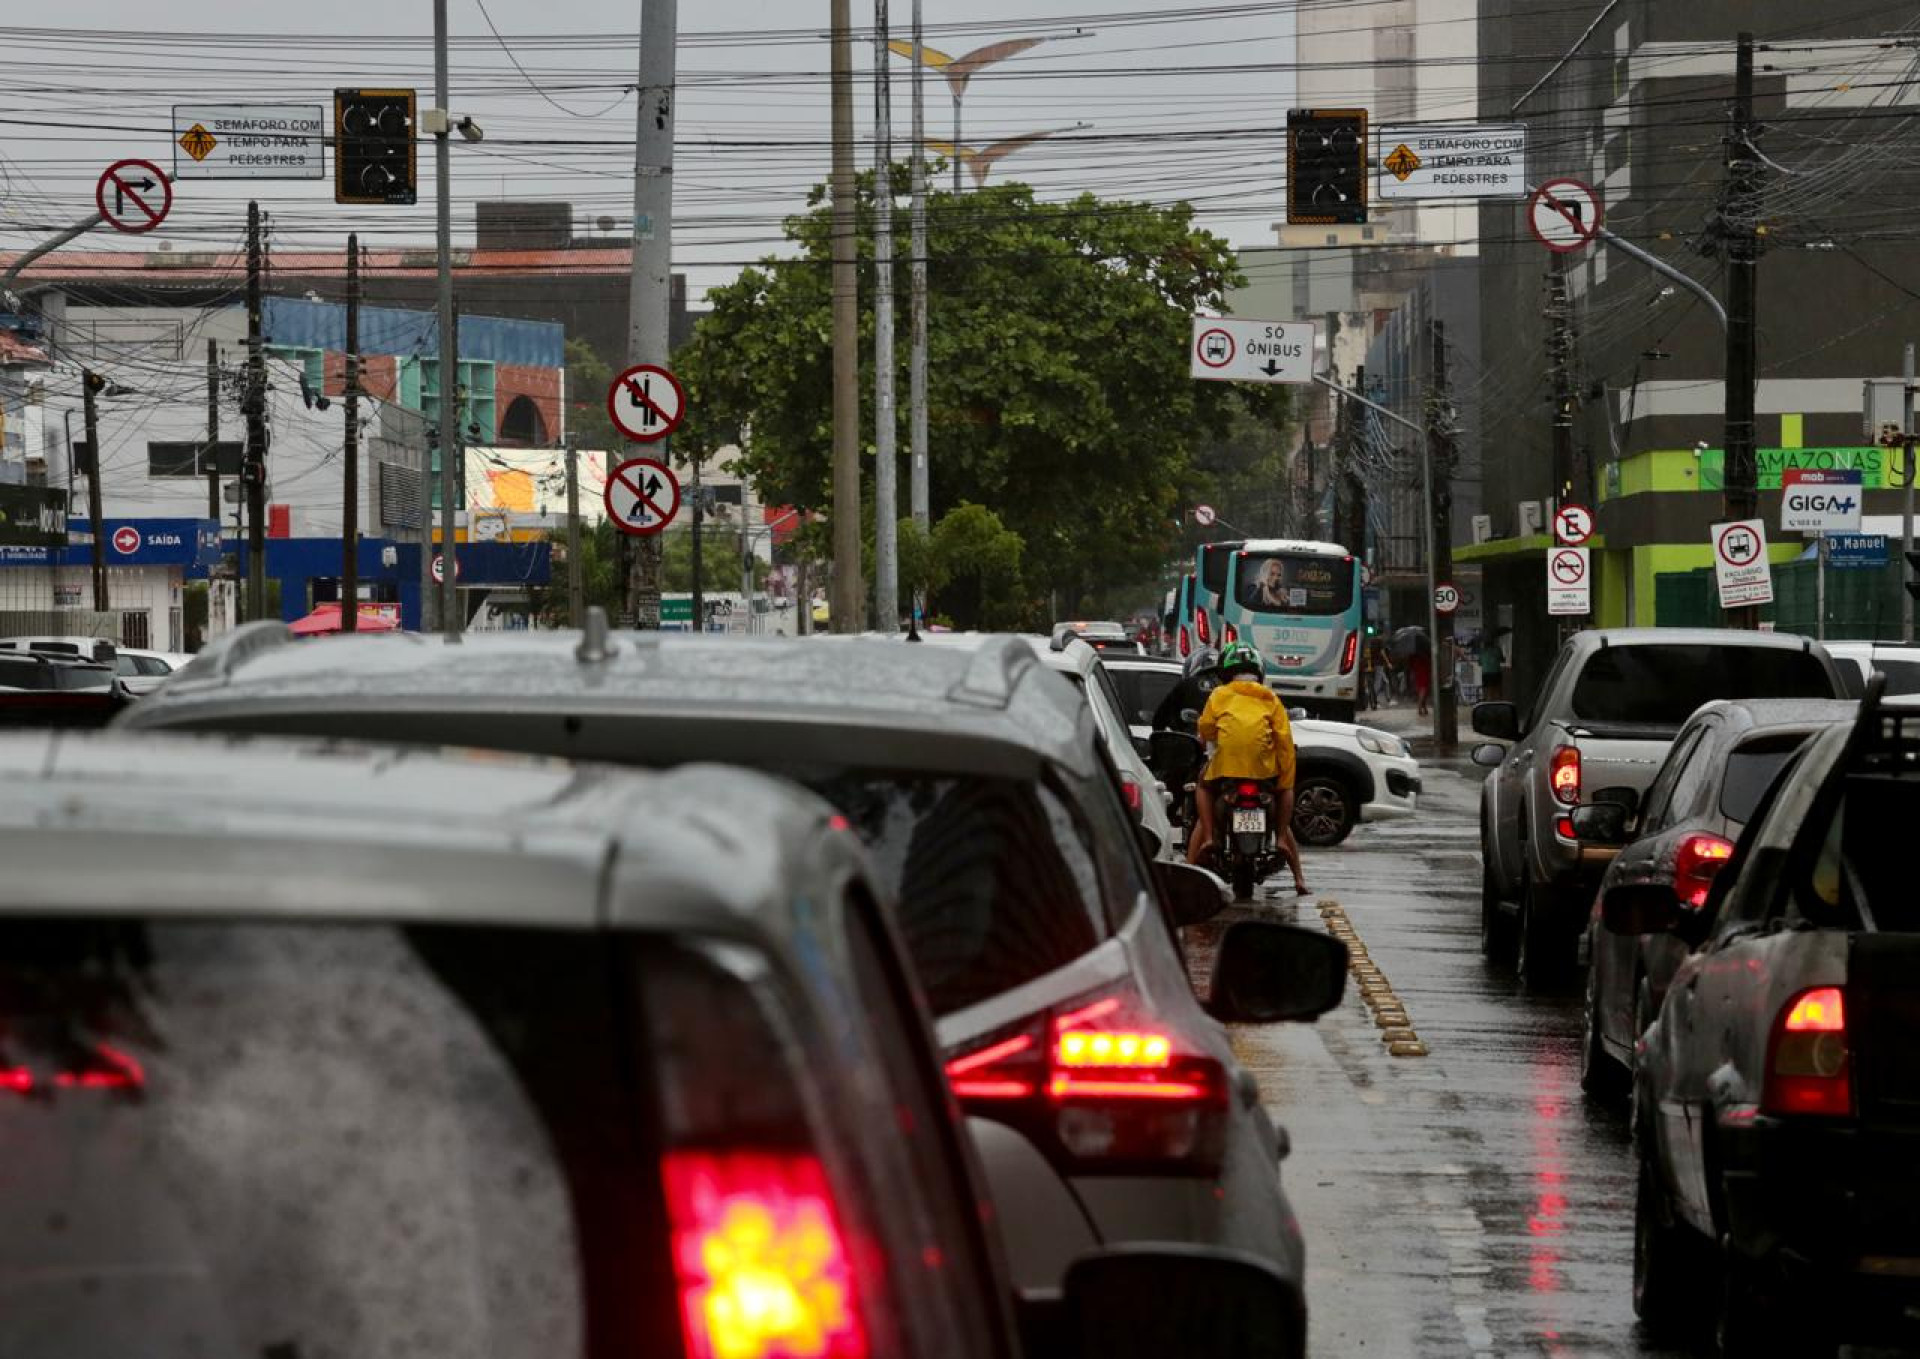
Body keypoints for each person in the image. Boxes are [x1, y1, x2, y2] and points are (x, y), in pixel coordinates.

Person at [1185, 641, 1309, 895]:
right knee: (1285, 793)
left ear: (1225, 673)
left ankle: (1204, 844)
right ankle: (1297, 874)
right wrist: (1285, 776)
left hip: (1225, 769)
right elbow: (1284, 740)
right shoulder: (1270, 698)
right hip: (1264, 771)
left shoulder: (1219, 695)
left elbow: (1205, 729)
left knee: (1203, 788)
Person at [1478, 629, 1506, 700]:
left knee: (1488, 691)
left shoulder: (1482, 651)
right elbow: (1502, 660)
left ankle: (1489, 701)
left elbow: (1480, 663)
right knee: (1498, 689)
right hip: (1496, 672)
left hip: (1486, 673)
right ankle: (1498, 701)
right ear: (1493, 641)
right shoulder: (1497, 649)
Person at [1410, 645, 1432, 716]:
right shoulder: (1424, 653)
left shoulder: (1413, 653)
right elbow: (1428, 662)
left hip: (1418, 672)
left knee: (1422, 690)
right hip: (1424, 672)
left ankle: (1424, 708)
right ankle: (1419, 708)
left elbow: (1411, 664)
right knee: (1423, 690)